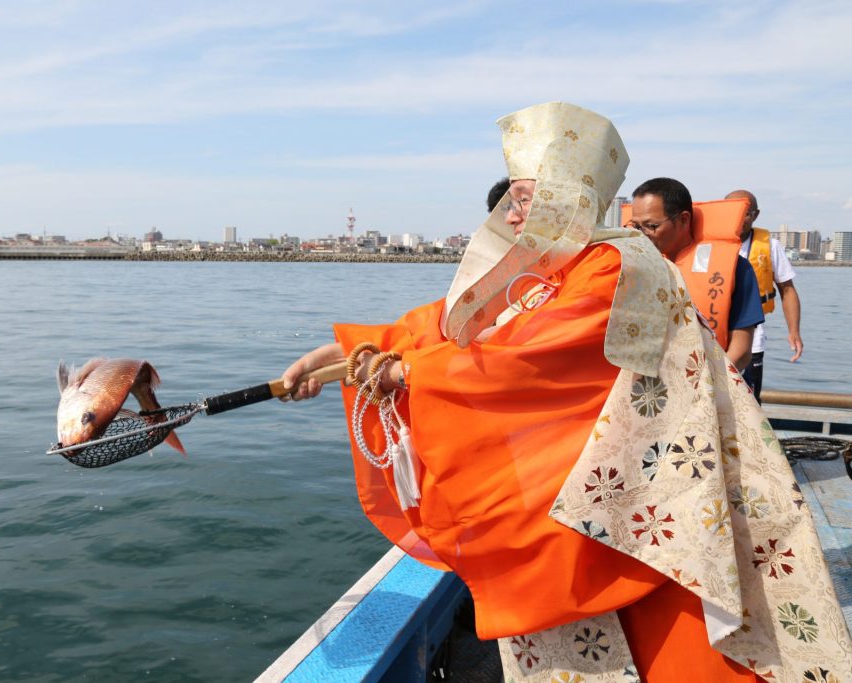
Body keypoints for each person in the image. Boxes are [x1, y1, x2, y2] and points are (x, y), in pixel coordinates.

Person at [281, 102, 850, 682]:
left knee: (680, 650)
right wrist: (347, 353)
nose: (515, 210)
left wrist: (404, 376)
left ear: (571, 193)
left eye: (528, 196)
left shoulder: (616, 263)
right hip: (586, 488)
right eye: (515, 199)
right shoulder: (546, 269)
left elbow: (527, 355)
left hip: (652, 489)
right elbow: (456, 322)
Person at [628, 178, 764, 371]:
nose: (642, 234)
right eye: (636, 227)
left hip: (707, 386)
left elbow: (741, 351)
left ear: (684, 219)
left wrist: (704, 389)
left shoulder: (737, 269)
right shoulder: (629, 267)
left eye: (651, 226)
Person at [726, 189, 803, 403]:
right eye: (733, 211)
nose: (739, 217)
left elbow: (787, 289)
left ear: (755, 215)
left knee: (748, 400)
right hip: (713, 331)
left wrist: (794, 331)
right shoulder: (708, 243)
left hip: (752, 336)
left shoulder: (770, 246)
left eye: (746, 212)